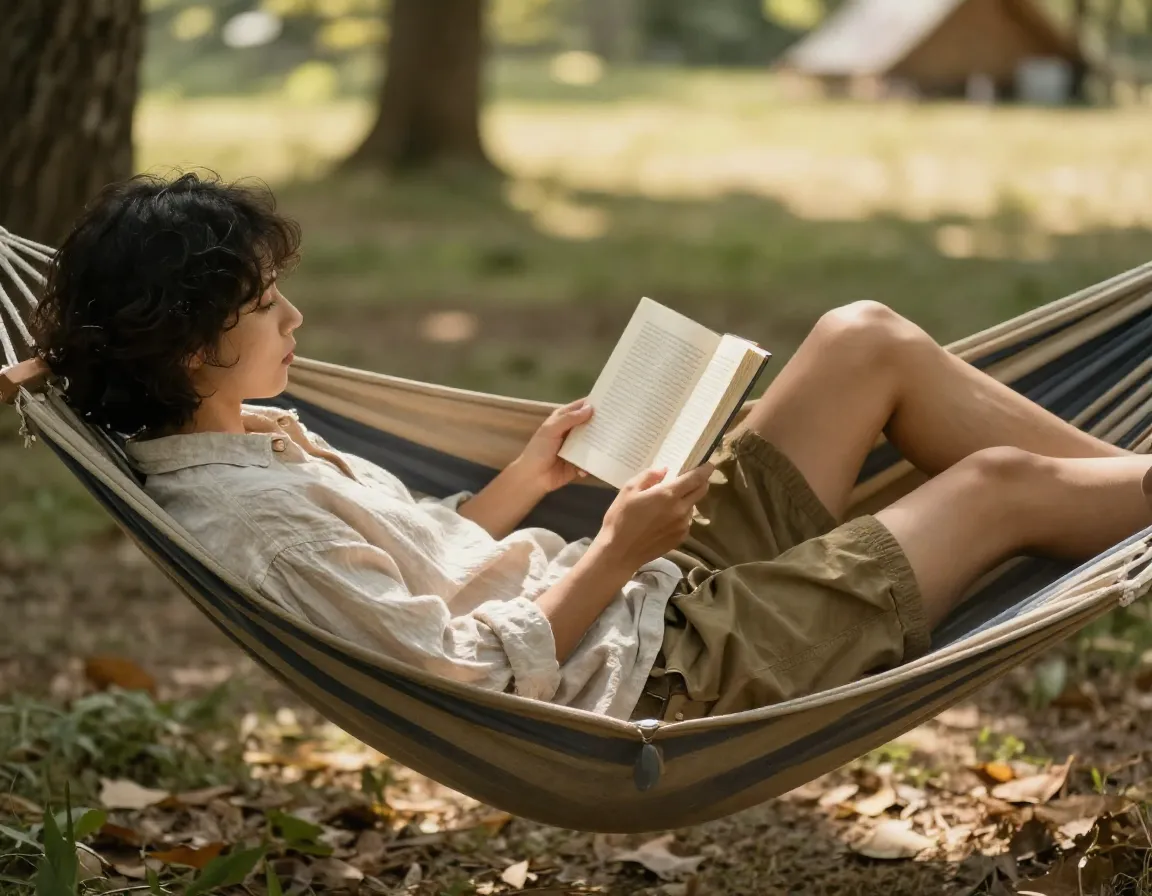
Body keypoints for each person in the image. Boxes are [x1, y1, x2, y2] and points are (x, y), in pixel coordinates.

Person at [29, 172, 1152, 724]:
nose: (294, 322)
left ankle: (1123, 520)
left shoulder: (256, 438)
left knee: (861, 339)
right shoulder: (251, 526)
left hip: (646, 588)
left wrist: (533, 477)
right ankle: (1123, 515)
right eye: (266, 305)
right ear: (185, 353)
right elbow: (455, 669)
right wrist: (615, 550)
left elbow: (421, 571)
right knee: (999, 487)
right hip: (660, 671)